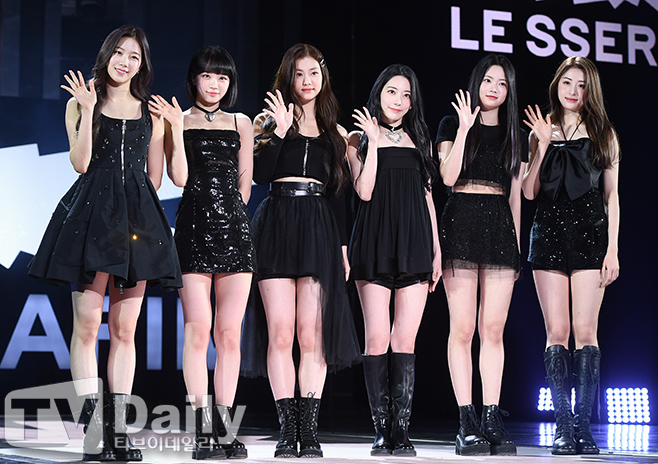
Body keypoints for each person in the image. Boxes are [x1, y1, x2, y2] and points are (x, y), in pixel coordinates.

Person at [28, 25, 183, 461]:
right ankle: (94, 429)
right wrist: (87, 108)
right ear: (107, 54)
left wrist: (174, 131)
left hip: (137, 221)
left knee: (124, 330)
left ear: (142, 65)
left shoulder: (151, 113)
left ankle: (117, 429)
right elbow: (80, 163)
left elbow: (156, 178)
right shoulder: (81, 102)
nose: (125, 62)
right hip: (90, 216)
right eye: (119, 53)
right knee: (85, 326)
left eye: (134, 56)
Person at [247, 43, 361, 458]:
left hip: (318, 228)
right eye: (299, 74)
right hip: (277, 222)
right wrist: (278, 131)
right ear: (288, 78)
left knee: (311, 334)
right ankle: (287, 429)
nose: (307, 81)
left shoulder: (335, 133)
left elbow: (339, 195)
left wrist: (343, 248)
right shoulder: (268, 122)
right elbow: (260, 176)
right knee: (280, 332)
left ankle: (308, 431)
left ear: (323, 77)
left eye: (313, 73)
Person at [149, 45, 254, 460]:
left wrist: (235, 216)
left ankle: (225, 429)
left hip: (235, 232)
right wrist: (175, 128)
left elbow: (245, 184)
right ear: (194, 79)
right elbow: (177, 178)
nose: (215, 84)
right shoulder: (177, 118)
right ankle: (203, 429)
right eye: (208, 75)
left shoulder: (241, 122)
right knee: (197, 330)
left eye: (222, 77)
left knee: (229, 334)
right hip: (192, 228)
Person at [523, 56, 620, 456]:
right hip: (548, 234)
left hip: (590, 236)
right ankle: (563, 425)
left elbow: (612, 196)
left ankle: (584, 426)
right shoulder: (541, 129)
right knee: (557, 332)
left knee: (585, 332)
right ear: (557, 84)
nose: (573, 91)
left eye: (581, 85)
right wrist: (543, 144)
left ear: (590, 90)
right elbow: (528, 191)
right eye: (567, 82)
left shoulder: (604, 134)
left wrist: (613, 248)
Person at [346, 64, 440, 457]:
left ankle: (401, 430)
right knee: (377, 336)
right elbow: (364, 191)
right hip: (374, 240)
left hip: (415, 240)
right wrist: (372, 142)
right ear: (378, 93)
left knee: (405, 338)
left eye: (406, 95)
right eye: (392, 92)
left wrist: (437, 249)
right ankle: (381, 430)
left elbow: (428, 196)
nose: (399, 101)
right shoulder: (356, 138)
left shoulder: (421, 138)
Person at [435, 54, 527, 456]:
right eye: (488, 80)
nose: (494, 88)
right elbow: (448, 177)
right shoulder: (451, 123)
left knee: (493, 329)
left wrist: (517, 246)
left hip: (500, 227)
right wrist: (464, 129)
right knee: (462, 329)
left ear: (509, 91)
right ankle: (466, 421)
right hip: (461, 222)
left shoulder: (515, 134)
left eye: (502, 83)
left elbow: (516, 196)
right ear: (477, 83)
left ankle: (491, 417)